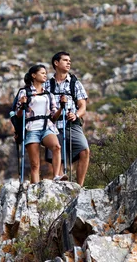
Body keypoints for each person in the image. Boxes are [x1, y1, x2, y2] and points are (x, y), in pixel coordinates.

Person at [44, 51, 90, 186]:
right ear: (56, 63)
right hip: (53, 124)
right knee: (57, 152)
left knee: (84, 150)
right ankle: (59, 183)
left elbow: (82, 106)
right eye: (65, 60)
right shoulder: (47, 85)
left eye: (69, 60)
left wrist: (76, 115)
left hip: (72, 123)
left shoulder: (75, 83)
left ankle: (79, 186)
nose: (69, 62)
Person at [16, 64, 67, 183]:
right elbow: (18, 115)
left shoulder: (49, 94)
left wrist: (62, 106)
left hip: (47, 127)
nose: (45, 75)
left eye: (45, 73)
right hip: (31, 128)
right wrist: (22, 105)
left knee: (57, 147)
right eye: (42, 73)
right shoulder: (24, 92)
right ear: (34, 75)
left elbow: (54, 116)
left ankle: (56, 176)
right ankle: (35, 190)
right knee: (35, 164)